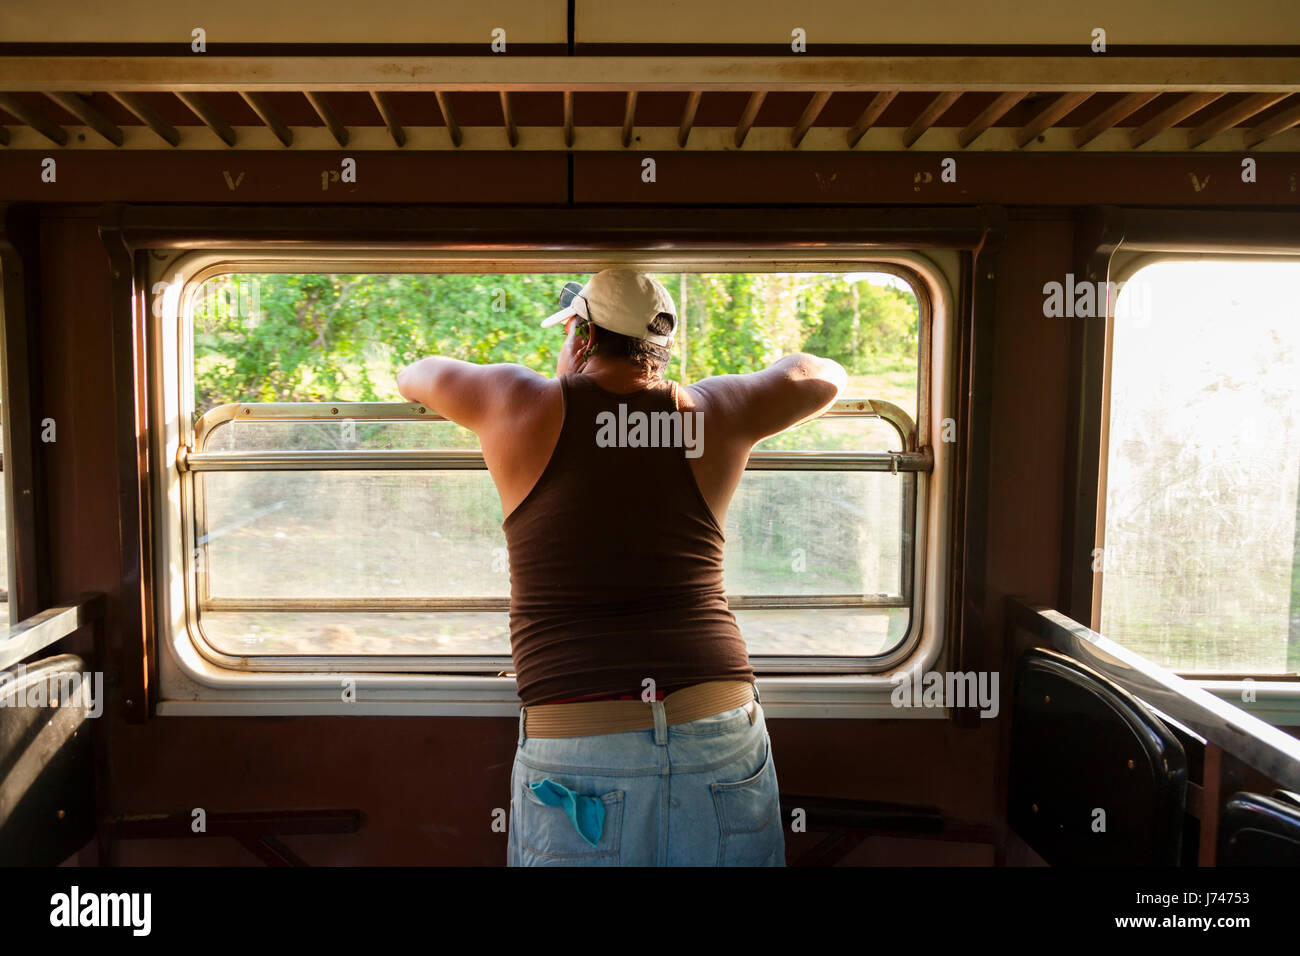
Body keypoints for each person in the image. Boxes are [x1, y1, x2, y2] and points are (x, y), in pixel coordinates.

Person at [396, 268, 845, 866]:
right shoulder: (711, 411)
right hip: (717, 729)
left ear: (580, 337)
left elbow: (415, 374)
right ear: (658, 349)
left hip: (580, 744)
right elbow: (821, 376)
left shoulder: (516, 400)